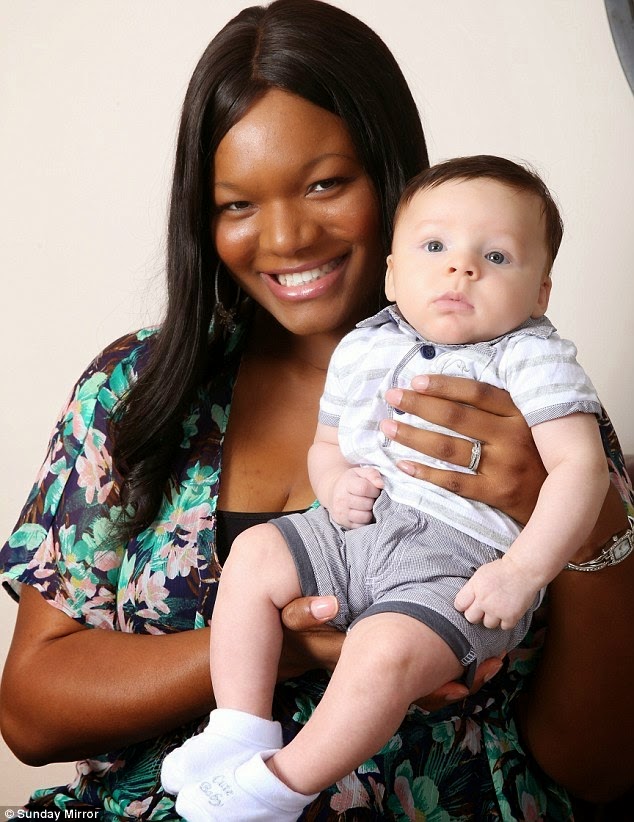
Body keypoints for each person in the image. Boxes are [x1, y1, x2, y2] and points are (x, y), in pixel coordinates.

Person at [0, 2, 632, 820]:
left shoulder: (520, 394)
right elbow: (31, 711)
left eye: (326, 183)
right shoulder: (136, 389)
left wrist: (575, 524)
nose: (288, 237)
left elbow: (605, 766)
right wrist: (290, 646)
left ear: (394, 180)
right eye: (238, 205)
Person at [161, 155, 610, 821]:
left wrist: (523, 570)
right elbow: (327, 442)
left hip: (457, 561)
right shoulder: (364, 346)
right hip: (353, 528)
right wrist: (336, 482)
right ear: (394, 272)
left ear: (541, 292)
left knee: (384, 651)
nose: (462, 268)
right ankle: (239, 728)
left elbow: (583, 470)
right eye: (435, 247)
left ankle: (281, 784)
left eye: (497, 255)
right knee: (255, 553)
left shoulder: (532, 358)